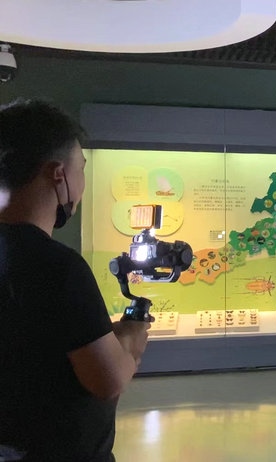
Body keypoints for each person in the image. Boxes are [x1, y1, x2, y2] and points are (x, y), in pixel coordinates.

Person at [0, 98, 152, 461]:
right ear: (58, 174)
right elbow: (107, 380)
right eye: (80, 167)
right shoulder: (58, 267)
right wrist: (131, 338)